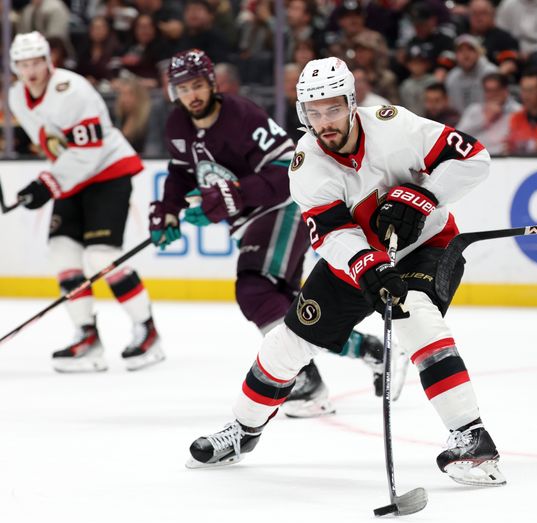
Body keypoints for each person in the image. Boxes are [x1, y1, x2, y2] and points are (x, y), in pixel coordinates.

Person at [185, 57, 506, 487]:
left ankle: (473, 439)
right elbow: (333, 234)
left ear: (352, 103)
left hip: (428, 244)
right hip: (359, 258)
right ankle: (243, 431)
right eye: (313, 112)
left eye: (333, 108)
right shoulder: (307, 164)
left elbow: (474, 159)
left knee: (415, 316)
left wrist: (423, 195)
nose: (324, 122)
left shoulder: (396, 127)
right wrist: (367, 266)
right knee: (287, 344)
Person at [149, 49, 387, 418]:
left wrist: (235, 194)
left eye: (197, 85)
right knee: (291, 309)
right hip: (249, 220)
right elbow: (181, 172)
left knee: (254, 287)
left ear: (211, 83)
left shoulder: (242, 116)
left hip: (283, 208)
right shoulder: (176, 125)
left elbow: (288, 170)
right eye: (183, 88)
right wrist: (168, 211)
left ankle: (305, 381)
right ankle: (370, 350)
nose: (191, 95)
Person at [8, 31, 164, 372]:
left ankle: (147, 330)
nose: (31, 71)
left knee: (100, 256)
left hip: (107, 171)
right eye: (23, 64)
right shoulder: (17, 96)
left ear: (49, 61)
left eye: (36, 62)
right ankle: (87, 336)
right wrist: (52, 180)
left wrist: (48, 182)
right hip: (71, 179)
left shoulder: (72, 89)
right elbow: (55, 146)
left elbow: (89, 150)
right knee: (63, 253)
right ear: (14, 67)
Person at [457, 72, 521, 155]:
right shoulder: (473, 110)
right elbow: (457, 136)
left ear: (505, 91)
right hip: (475, 157)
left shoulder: (517, 111)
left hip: (504, 159)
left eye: (495, 90)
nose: (492, 95)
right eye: (488, 91)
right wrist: (484, 119)